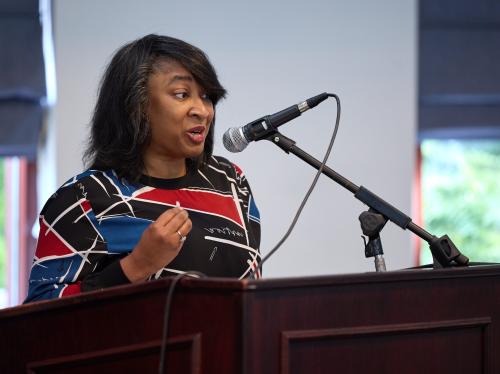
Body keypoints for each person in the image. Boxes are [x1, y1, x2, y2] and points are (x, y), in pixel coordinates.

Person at [25, 34, 261, 302]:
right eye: (182, 94)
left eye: (207, 97)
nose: (202, 111)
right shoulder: (83, 199)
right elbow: (38, 318)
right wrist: (136, 266)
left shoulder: (230, 181)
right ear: (135, 106)